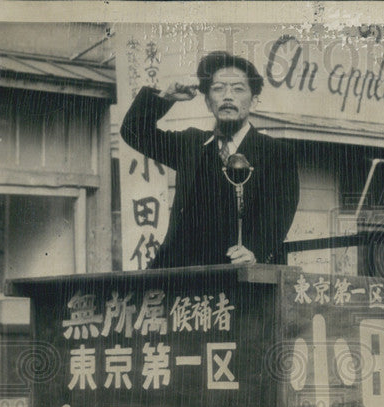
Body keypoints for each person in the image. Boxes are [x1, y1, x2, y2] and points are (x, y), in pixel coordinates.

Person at [121, 51, 299, 268]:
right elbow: (133, 131)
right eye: (218, 88)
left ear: (254, 102)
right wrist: (166, 98)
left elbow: (279, 214)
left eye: (238, 88)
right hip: (182, 274)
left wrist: (255, 252)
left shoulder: (277, 153)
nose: (227, 96)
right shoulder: (191, 144)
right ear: (207, 102)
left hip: (237, 275)